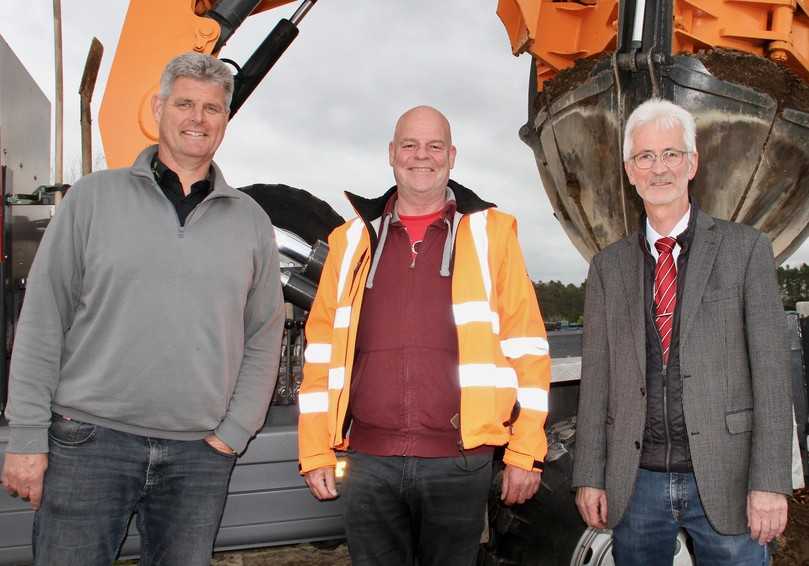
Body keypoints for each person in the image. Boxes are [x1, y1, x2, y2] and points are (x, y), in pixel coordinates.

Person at [0, 52, 285, 566]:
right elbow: (42, 321)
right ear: (158, 107)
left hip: (199, 456)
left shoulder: (250, 223)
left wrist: (234, 430)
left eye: (213, 109)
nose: (198, 118)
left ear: (225, 120)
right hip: (89, 444)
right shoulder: (91, 200)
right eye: (185, 104)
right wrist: (24, 436)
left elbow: (265, 334)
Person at [297, 105, 551, 565]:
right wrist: (314, 449)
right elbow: (320, 355)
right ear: (391, 154)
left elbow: (528, 349)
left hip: (458, 461)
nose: (422, 156)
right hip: (368, 462)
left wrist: (526, 449)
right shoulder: (349, 242)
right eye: (409, 145)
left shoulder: (494, 234)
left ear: (451, 156)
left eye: (434, 146)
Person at [573, 98, 792, 565]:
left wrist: (770, 483)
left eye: (671, 154)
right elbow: (596, 380)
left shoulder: (746, 251)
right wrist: (590, 474)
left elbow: (772, 377)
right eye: (645, 157)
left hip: (727, 480)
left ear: (692, 163)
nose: (659, 169)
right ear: (629, 171)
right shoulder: (607, 268)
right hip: (637, 486)